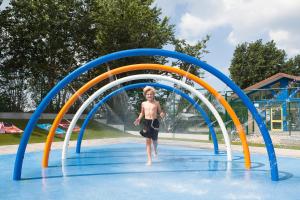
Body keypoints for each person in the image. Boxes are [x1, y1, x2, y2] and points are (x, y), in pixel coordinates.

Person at [134, 86, 165, 165]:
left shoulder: (156, 103)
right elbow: (142, 113)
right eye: (147, 94)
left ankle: (155, 150)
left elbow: (160, 112)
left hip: (155, 122)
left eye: (151, 94)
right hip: (147, 122)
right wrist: (139, 119)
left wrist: (162, 114)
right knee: (148, 141)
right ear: (145, 95)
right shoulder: (143, 103)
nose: (149, 96)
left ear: (153, 95)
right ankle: (149, 160)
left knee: (154, 140)